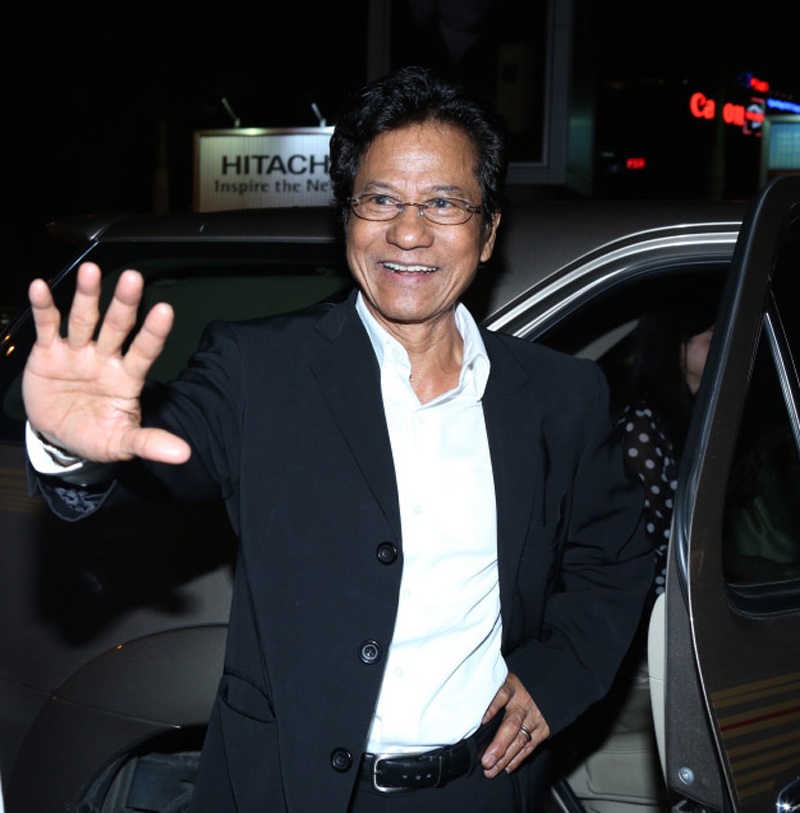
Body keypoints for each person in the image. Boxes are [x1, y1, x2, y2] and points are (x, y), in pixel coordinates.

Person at [22, 66, 651, 812]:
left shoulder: (559, 396)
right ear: (346, 216)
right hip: (289, 790)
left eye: (443, 202)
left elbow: (615, 558)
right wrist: (75, 448)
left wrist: (556, 677)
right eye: (380, 200)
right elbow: (163, 447)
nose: (408, 232)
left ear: (487, 233)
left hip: (478, 789)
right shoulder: (260, 368)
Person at [616, 300, 715, 609]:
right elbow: (644, 540)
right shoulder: (641, 426)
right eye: (711, 337)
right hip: (659, 603)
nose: (723, 344)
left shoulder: (693, 418)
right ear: (676, 347)